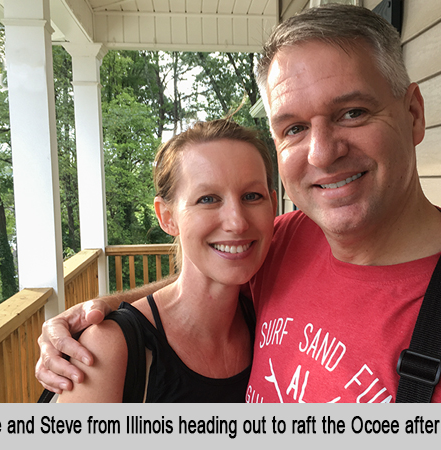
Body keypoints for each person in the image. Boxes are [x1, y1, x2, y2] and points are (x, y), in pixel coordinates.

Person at [37, 4, 441, 402]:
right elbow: (197, 296)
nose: (323, 152)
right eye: (293, 128)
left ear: (413, 113)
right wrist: (102, 317)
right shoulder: (282, 245)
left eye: (353, 112)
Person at [56, 119, 277, 402]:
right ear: (167, 217)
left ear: (272, 206)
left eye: (251, 196)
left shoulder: (267, 321)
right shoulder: (111, 347)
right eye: (208, 199)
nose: (237, 222)